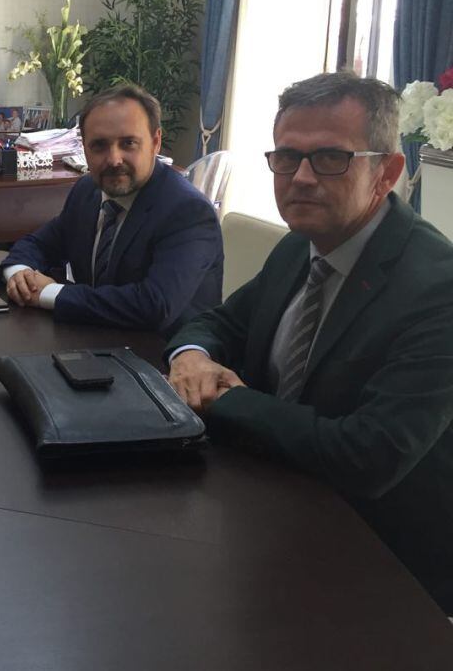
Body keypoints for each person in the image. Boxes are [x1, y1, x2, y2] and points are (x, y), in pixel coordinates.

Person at [166, 72, 453, 614]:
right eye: (286, 157)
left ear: (387, 172)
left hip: (383, 571)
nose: (299, 178)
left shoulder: (438, 289)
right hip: (266, 517)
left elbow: (368, 455)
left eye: (330, 158)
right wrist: (193, 357)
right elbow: (221, 323)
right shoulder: (302, 245)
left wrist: (227, 399)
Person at [0, 83, 222, 335]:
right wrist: (20, 274)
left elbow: (154, 306)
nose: (114, 159)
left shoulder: (187, 211)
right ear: (84, 149)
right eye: (99, 146)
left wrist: (50, 293)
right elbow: (39, 243)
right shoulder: (87, 191)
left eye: (128, 143)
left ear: (156, 142)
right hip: (93, 343)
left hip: (165, 360)